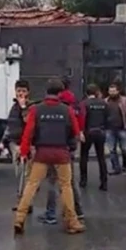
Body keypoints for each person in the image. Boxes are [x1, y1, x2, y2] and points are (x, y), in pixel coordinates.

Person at [14, 78, 85, 235]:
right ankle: (72, 221)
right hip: (61, 153)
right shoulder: (67, 110)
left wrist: (24, 152)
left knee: (31, 185)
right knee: (66, 187)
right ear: (60, 93)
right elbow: (75, 130)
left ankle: (19, 218)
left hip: (42, 153)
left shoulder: (36, 109)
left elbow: (28, 133)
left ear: (46, 91)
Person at [0, 79, 33, 213]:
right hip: (13, 144)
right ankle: (23, 202)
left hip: (24, 145)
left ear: (28, 92)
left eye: (23, 91)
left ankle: (24, 204)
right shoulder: (14, 107)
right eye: (19, 91)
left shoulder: (29, 107)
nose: (21, 94)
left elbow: (28, 122)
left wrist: (24, 107)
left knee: (25, 175)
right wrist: (3, 142)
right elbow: (10, 126)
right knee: (19, 174)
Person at [77, 84, 109, 190]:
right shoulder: (103, 103)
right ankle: (104, 182)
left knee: (84, 156)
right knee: (101, 157)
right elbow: (107, 116)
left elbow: (82, 117)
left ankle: (83, 180)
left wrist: (80, 132)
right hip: (100, 131)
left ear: (86, 93)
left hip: (88, 132)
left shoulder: (84, 103)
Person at [105, 84, 126, 174]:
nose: (112, 93)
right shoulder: (106, 101)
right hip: (109, 129)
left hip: (122, 128)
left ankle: (125, 164)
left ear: (118, 91)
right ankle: (116, 168)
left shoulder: (124, 100)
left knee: (125, 149)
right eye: (110, 91)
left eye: (114, 91)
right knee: (112, 150)